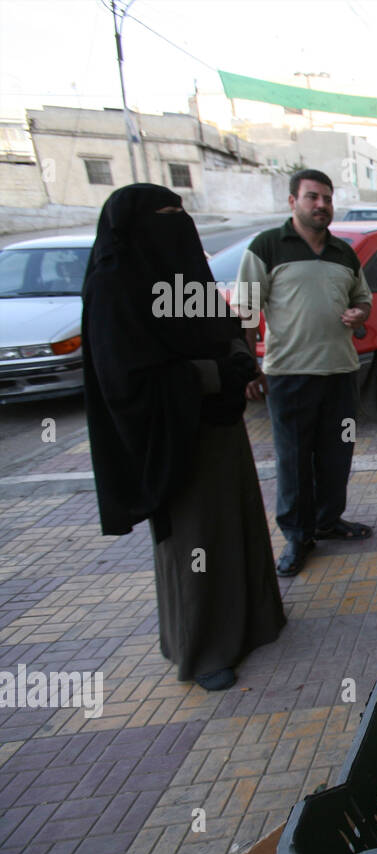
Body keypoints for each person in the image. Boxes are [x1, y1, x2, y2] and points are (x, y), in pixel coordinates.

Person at [81, 184, 285, 691]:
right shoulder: (115, 286)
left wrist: (239, 357)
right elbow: (125, 378)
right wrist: (213, 374)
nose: (178, 226)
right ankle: (203, 648)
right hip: (173, 435)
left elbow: (221, 326)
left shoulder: (180, 278)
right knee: (196, 544)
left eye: (181, 214)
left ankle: (253, 622)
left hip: (220, 426)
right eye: (164, 217)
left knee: (235, 528)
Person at [235, 169, 374, 577]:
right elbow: (245, 310)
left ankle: (329, 521)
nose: (321, 205)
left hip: (341, 373)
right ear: (292, 201)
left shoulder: (343, 253)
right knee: (294, 459)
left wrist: (360, 312)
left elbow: (363, 299)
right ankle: (298, 537)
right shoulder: (267, 246)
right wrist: (248, 368)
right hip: (289, 376)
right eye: (312, 197)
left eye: (327, 198)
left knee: (337, 454)